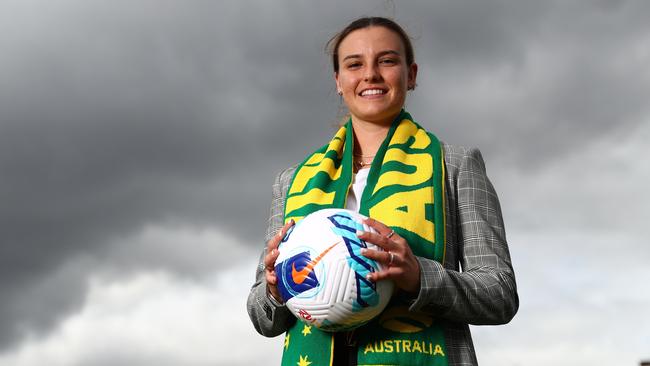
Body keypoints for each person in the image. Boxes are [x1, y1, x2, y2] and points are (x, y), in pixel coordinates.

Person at [247, 16, 518, 366]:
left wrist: (419, 276)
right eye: (354, 64)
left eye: (387, 61)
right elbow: (261, 316)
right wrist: (274, 288)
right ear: (338, 81)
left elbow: (499, 293)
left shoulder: (456, 165)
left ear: (412, 74)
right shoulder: (292, 181)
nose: (370, 74)